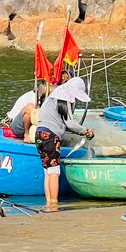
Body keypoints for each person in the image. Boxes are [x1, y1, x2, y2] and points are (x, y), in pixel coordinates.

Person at [35, 75, 94, 211]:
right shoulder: (64, 99)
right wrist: (85, 131)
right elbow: (70, 123)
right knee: (54, 172)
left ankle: (49, 203)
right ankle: (54, 204)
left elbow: (63, 123)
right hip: (51, 136)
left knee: (48, 171)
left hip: (39, 135)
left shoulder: (53, 97)